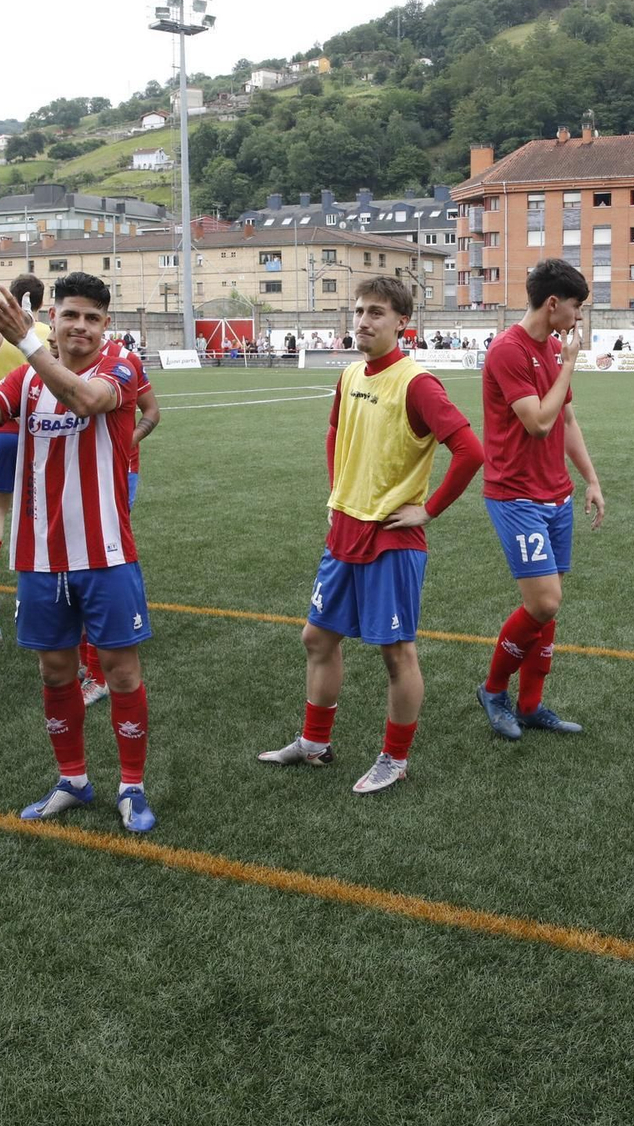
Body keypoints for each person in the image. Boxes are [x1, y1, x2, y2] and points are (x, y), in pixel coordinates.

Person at [258, 276, 483, 792]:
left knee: (395, 653)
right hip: (345, 528)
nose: (363, 320)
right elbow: (335, 431)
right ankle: (315, 742)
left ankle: (394, 759)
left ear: (403, 322)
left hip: (391, 538)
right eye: (358, 311)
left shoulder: (418, 383)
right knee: (317, 637)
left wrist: (428, 511)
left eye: (376, 312)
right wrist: (339, 491)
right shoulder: (351, 374)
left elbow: (471, 451)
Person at [0, 275, 159, 831]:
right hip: (41, 557)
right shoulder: (25, 377)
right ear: (55, 316)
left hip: (107, 553)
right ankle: (73, 780)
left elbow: (86, 399)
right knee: (55, 672)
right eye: (71, 315)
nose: (82, 327)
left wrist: (25, 341)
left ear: (106, 325)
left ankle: (132, 788)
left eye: (93, 318)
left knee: (120, 672)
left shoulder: (120, 367)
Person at [476, 258, 605, 741]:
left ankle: (530, 705)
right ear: (554, 304)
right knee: (545, 602)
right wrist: (569, 363)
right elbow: (539, 422)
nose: (578, 318)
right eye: (576, 307)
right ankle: (493, 690)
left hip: (556, 493)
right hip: (516, 495)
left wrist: (589, 479)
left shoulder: (552, 348)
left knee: (549, 607)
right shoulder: (508, 350)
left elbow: (567, 422)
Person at [74, 325, 162, 706]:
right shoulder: (54, 362)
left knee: (99, 561)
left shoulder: (123, 361)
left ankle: (98, 671)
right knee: (72, 562)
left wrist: (127, 440)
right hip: (68, 477)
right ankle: (85, 660)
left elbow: (152, 413)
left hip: (116, 476)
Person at [0, 274, 49, 581]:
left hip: (1, 427)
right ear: (42, 301)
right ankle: (42, 569)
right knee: (43, 509)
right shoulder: (46, 334)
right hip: (41, 431)